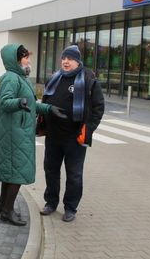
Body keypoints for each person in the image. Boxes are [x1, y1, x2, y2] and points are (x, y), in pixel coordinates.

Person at [0, 44, 66, 226]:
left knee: (11, 171)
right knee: (17, 171)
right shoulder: (11, 78)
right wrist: (19, 102)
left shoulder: (19, 77)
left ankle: (3, 205)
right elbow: (5, 102)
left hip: (17, 131)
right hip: (13, 133)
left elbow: (31, 104)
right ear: (16, 59)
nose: (29, 60)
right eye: (26, 57)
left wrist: (49, 108)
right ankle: (7, 211)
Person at [40, 45, 104, 222]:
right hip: (53, 136)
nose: (65, 61)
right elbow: (45, 99)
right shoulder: (54, 78)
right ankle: (51, 202)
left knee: (74, 174)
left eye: (70, 59)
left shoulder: (89, 80)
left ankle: (70, 208)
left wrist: (88, 128)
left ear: (78, 61)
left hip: (75, 137)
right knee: (50, 170)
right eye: (64, 58)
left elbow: (99, 107)